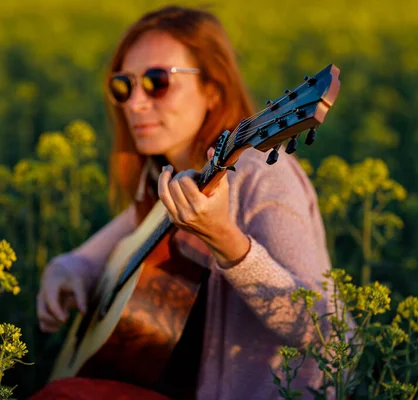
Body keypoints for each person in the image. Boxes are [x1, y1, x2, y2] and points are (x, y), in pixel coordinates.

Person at [34, 5, 339, 400]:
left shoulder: (261, 174)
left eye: (157, 81)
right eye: (123, 86)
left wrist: (226, 241)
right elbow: (90, 256)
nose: (134, 104)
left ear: (213, 89)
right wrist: (65, 274)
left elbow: (325, 330)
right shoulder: (167, 181)